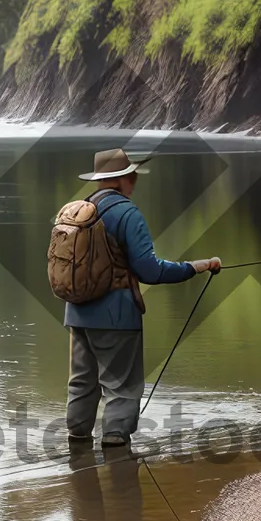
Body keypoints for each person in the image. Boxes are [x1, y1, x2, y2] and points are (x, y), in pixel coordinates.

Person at [65, 148, 219, 449]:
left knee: (83, 381)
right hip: (116, 315)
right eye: (131, 175)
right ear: (122, 179)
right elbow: (150, 270)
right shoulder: (127, 213)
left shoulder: (78, 210)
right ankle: (116, 449)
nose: (134, 180)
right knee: (121, 385)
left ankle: (77, 441)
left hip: (76, 312)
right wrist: (195, 268)